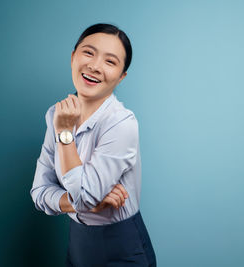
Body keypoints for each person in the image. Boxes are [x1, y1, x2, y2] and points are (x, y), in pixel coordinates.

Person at [30, 23, 156, 266]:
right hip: (78, 242)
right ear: (73, 57)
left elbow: (84, 197)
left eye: (110, 62)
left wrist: (65, 133)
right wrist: (86, 205)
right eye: (88, 53)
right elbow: (39, 193)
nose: (95, 66)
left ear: (121, 77)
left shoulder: (122, 123)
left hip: (121, 245)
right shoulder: (55, 114)